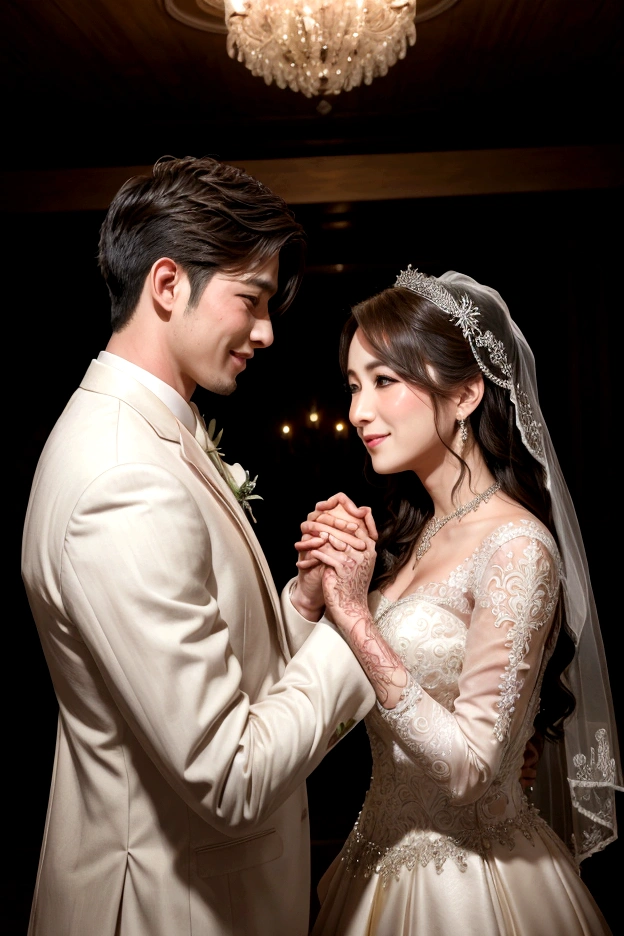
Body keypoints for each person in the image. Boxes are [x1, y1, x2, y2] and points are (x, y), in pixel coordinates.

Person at [20, 155, 377, 936]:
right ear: (168, 284)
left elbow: (218, 673)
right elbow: (231, 774)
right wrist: (358, 632)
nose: (267, 330)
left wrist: (305, 605)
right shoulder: (122, 477)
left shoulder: (151, 436)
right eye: (250, 299)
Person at [295, 268, 622, 935]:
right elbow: (325, 713)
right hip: (371, 870)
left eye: (385, 381)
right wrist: (310, 593)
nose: (359, 411)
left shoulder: (516, 547)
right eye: (355, 386)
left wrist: (356, 617)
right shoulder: (407, 543)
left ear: (466, 392)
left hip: (475, 891)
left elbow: (474, 770)